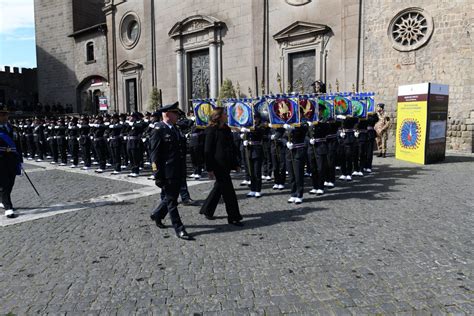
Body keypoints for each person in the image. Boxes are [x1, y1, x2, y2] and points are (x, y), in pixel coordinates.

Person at [149, 102, 192, 240]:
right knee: (173, 201)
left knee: (170, 197)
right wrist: (157, 175)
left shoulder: (175, 128)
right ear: (167, 114)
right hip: (167, 172)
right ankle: (179, 228)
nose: (178, 116)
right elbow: (154, 155)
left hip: (178, 169)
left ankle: (157, 214)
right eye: (176, 114)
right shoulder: (158, 130)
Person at [199, 107, 243, 226]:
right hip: (217, 165)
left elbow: (231, 148)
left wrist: (235, 164)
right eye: (225, 113)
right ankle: (234, 217)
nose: (227, 115)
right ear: (218, 116)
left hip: (227, 164)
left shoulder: (226, 129)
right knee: (229, 192)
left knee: (219, 188)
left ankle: (207, 209)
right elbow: (207, 150)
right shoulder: (210, 130)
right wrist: (209, 169)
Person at [0, 105, 23, 218]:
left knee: (11, 182)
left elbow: (18, 145)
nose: (4, 116)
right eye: (2, 114)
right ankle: (8, 207)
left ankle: (3, 199)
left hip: (12, 159)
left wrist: (20, 160)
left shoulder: (13, 128)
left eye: (6, 114)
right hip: (1, 159)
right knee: (4, 183)